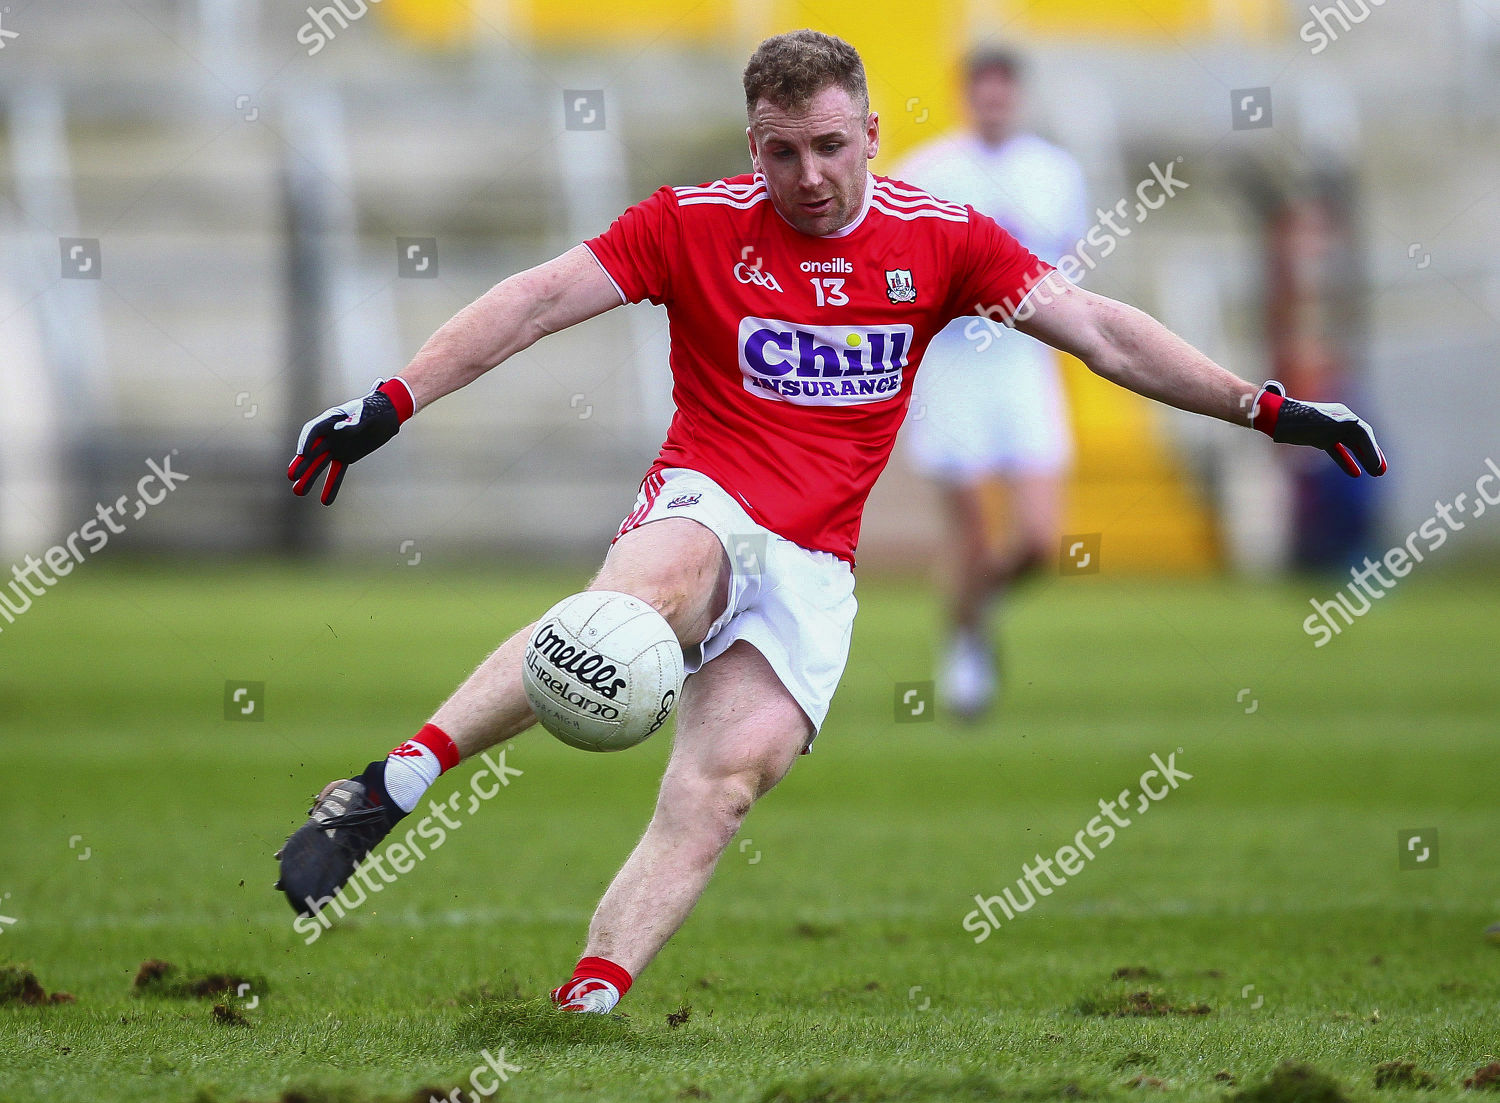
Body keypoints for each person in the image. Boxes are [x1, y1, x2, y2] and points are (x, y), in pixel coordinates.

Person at [276, 29, 1386, 1015]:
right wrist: (391, 401)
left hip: (816, 560)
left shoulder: (944, 240)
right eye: (780, 152)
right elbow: (533, 300)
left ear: (870, 131)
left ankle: (582, 1009)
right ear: (752, 145)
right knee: (645, 595)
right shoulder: (693, 225)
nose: (807, 175)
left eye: (829, 146)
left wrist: (1265, 407)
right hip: (707, 496)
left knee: (721, 787)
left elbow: (1101, 330)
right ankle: (386, 788)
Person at [893, 47, 1087, 718]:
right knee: (972, 537)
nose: (994, 102)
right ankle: (966, 649)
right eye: (984, 90)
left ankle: (972, 607)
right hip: (953, 370)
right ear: (967, 95)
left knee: (1038, 540)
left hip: (1023, 364)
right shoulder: (928, 171)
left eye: (1005, 91)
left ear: (1018, 96)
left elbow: (1067, 269)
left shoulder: (1055, 173)